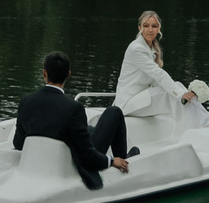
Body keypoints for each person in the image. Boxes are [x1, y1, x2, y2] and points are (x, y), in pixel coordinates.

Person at [12, 51, 131, 191]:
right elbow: (88, 155)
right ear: (68, 74)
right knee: (114, 112)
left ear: (44, 73)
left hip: (47, 155)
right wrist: (111, 161)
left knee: (89, 129)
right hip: (75, 156)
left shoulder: (26, 102)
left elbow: (18, 143)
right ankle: (123, 158)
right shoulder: (74, 108)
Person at [116, 10, 197, 139]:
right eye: (146, 26)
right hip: (127, 103)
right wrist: (180, 94)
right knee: (171, 93)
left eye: (154, 26)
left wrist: (180, 92)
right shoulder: (136, 48)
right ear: (139, 27)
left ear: (158, 28)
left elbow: (156, 80)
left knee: (177, 86)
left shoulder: (151, 48)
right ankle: (204, 122)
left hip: (140, 98)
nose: (150, 30)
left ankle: (204, 119)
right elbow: (158, 74)